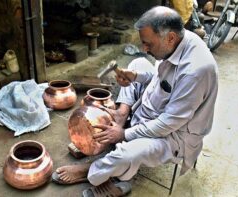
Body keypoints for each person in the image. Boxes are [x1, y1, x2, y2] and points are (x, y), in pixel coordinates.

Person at [53, 6, 218, 197]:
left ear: (170, 38)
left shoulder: (196, 71)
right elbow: (159, 78)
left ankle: (92, 170)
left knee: (128, 153)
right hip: (153, 110)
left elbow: (168, 123)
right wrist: (136, 76)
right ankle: (122, 116)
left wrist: (123, 134)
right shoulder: (177, 39)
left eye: (148, 44)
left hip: (174, 135)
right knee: (137, 63)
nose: (144, 48)